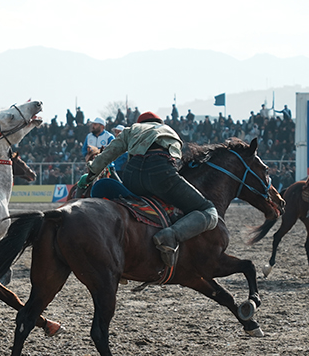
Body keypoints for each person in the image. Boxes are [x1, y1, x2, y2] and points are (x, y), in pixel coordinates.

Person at [86, 111, 218, 266]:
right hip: (161, 173)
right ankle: (171, 234)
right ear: (159, 122)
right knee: (208, 210)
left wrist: (91, 173)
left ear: (140, 123)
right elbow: (176, 163)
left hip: (132, 176)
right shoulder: (169, 131)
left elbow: (109, 153)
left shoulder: (131, 129)